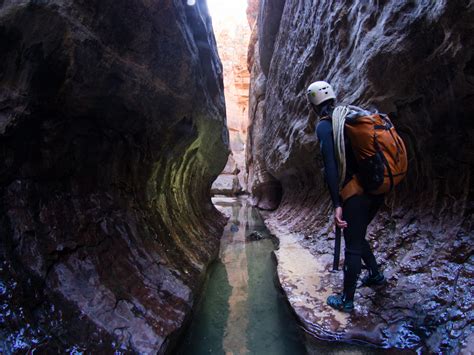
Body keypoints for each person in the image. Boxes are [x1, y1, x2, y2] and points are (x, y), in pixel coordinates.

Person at [307, 81, 386, 312]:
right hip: (377, 185)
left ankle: (347, 300)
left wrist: (337, 204)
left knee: (351, 244)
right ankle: (375, 274)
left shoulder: (325, 126)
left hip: (355, 191)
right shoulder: (351, 116)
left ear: (313, 104)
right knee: (357, 234)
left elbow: (331, 167)